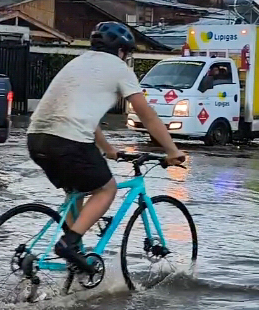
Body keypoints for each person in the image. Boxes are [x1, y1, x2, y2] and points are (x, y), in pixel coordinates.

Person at [27, 21, 186, 273]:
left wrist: (108, 149)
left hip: (36, 139)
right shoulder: (118, 68)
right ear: (121, 51)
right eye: (128, 53)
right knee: (106, 190)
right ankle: (69, 244)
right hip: (69, 141)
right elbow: (147, 116)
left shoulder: (77, 63)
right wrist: (172, 150)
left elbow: (83, 117)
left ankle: (74, 256)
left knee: (75, 192)